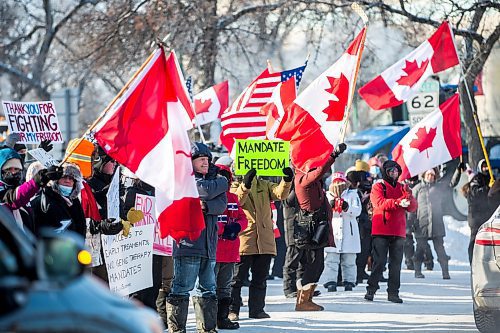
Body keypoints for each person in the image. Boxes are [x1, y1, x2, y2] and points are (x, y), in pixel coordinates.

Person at [166, 142, 228, 333]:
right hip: (188, 243)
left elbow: (221, 204)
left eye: (207, 159)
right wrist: (223, 183)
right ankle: (177, 330)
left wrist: (207, 206)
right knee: (182, 287)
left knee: (208, 288)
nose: (206, 163)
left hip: (209, 244)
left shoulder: (214, 179)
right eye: (201, 159)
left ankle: (207, 329)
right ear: (190, 162)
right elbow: (205, 190)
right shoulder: (183, 179)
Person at [229, 167, 292, 319]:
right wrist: (246, 184)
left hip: (264, 239)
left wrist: (286, 180)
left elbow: (280, 194)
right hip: (244, 239)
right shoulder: (234, 186)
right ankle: (232, 310)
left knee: (260, 279)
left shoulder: (264, 184)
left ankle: (257, 310)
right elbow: (237, 201)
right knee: (236, 280)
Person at [292, 143, 346, 311]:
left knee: (316, 264)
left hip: (317, 226)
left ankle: (305, 298)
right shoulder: (303, 179)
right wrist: (333, 155)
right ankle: (303, 301)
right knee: (314, 264)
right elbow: (320, 171)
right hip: (310, 228)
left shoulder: (313, 180)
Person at [365, 160, 417, 303]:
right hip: (381, 230)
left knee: (395, 264)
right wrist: (398, 202)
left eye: (396, 171)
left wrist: (409, 197)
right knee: (379, 261)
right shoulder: (378, 186)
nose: (394, 174)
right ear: (385, 172)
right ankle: (371, 289)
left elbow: (412, 207)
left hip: (398, 231)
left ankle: (393, 292)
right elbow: (379, 203)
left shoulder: (402, 187)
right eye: (391, 171)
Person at [214, 162, 248, 330]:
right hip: (214, 250)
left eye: (226, 177)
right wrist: (223, 229)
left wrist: (237, 227)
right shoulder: (210, 196)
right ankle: (209, 318)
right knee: (209, 286)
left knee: (225, 287)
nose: (224, 180)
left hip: (230, 250)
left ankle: (222, 318)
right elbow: (208, 221)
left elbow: (243, 218)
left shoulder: (233, 197)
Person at [0, 148, 59, 233]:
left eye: (16, 169)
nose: (13, 172)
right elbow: (14, 198)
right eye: (8, 169)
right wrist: (40, 179)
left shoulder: (18, 186)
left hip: (23, 242)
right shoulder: (6, 191)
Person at [324, 172, 362, 292]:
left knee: (349, 260)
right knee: (331, 259)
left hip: (348, 233)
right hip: (333, 232)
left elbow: (357, 211)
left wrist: (347, 207)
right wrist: (329, 208)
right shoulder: (327, 196)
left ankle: (349, 281)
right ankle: (331, 281)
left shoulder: (352, 195)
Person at [412, 168, 451, 279]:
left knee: (440, 249)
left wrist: (457, 171)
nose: (430, 177)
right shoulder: (417, 189)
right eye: (428, 174)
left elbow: (451, 183)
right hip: (422, 224)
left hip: (436, 224)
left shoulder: (438, 187)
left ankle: (445, 272)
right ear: (424, 175)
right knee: (420, 249)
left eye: (432, 175)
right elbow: (412, 208)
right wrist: (411, 224)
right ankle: (417, 271)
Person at [31, 163, 87, 237]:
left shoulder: (75, 202)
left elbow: (80, 227)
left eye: (71, 178)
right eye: (64, 177)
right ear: (56, 180)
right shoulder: (44, 199)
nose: (67, 181)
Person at [466, 159, 496, 263]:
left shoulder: (492, 178)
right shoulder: (476, 179)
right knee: (475, 239)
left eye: (487, 166)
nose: (486, 169)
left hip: (488, 214)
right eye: (484, 167)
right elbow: (475, 194)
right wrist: (488, 188)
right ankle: (472, 261)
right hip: (476, 215)